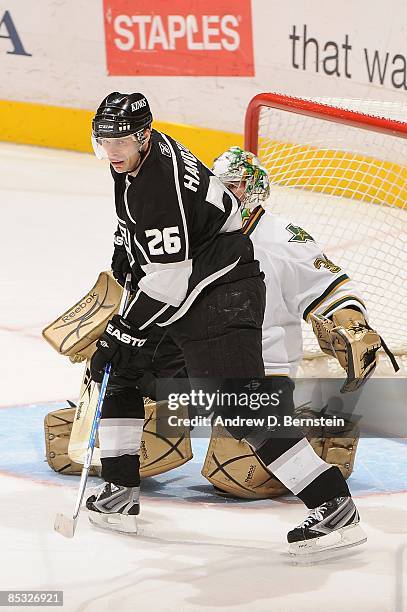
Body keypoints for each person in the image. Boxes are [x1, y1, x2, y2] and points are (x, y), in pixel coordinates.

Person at [86, 92, 367, 557]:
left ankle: (333, 503)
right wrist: (126, 247)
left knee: (244, 410)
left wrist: (123, 328)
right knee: (124, 369)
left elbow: (170, 279)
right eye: (104, 141)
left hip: (221, 296)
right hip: (191, 288)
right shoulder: (139, 159)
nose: (112, 151)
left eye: (120, 141)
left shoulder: (159, 184)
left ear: (143, 135)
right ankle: (119, 490)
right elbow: (154, 242)